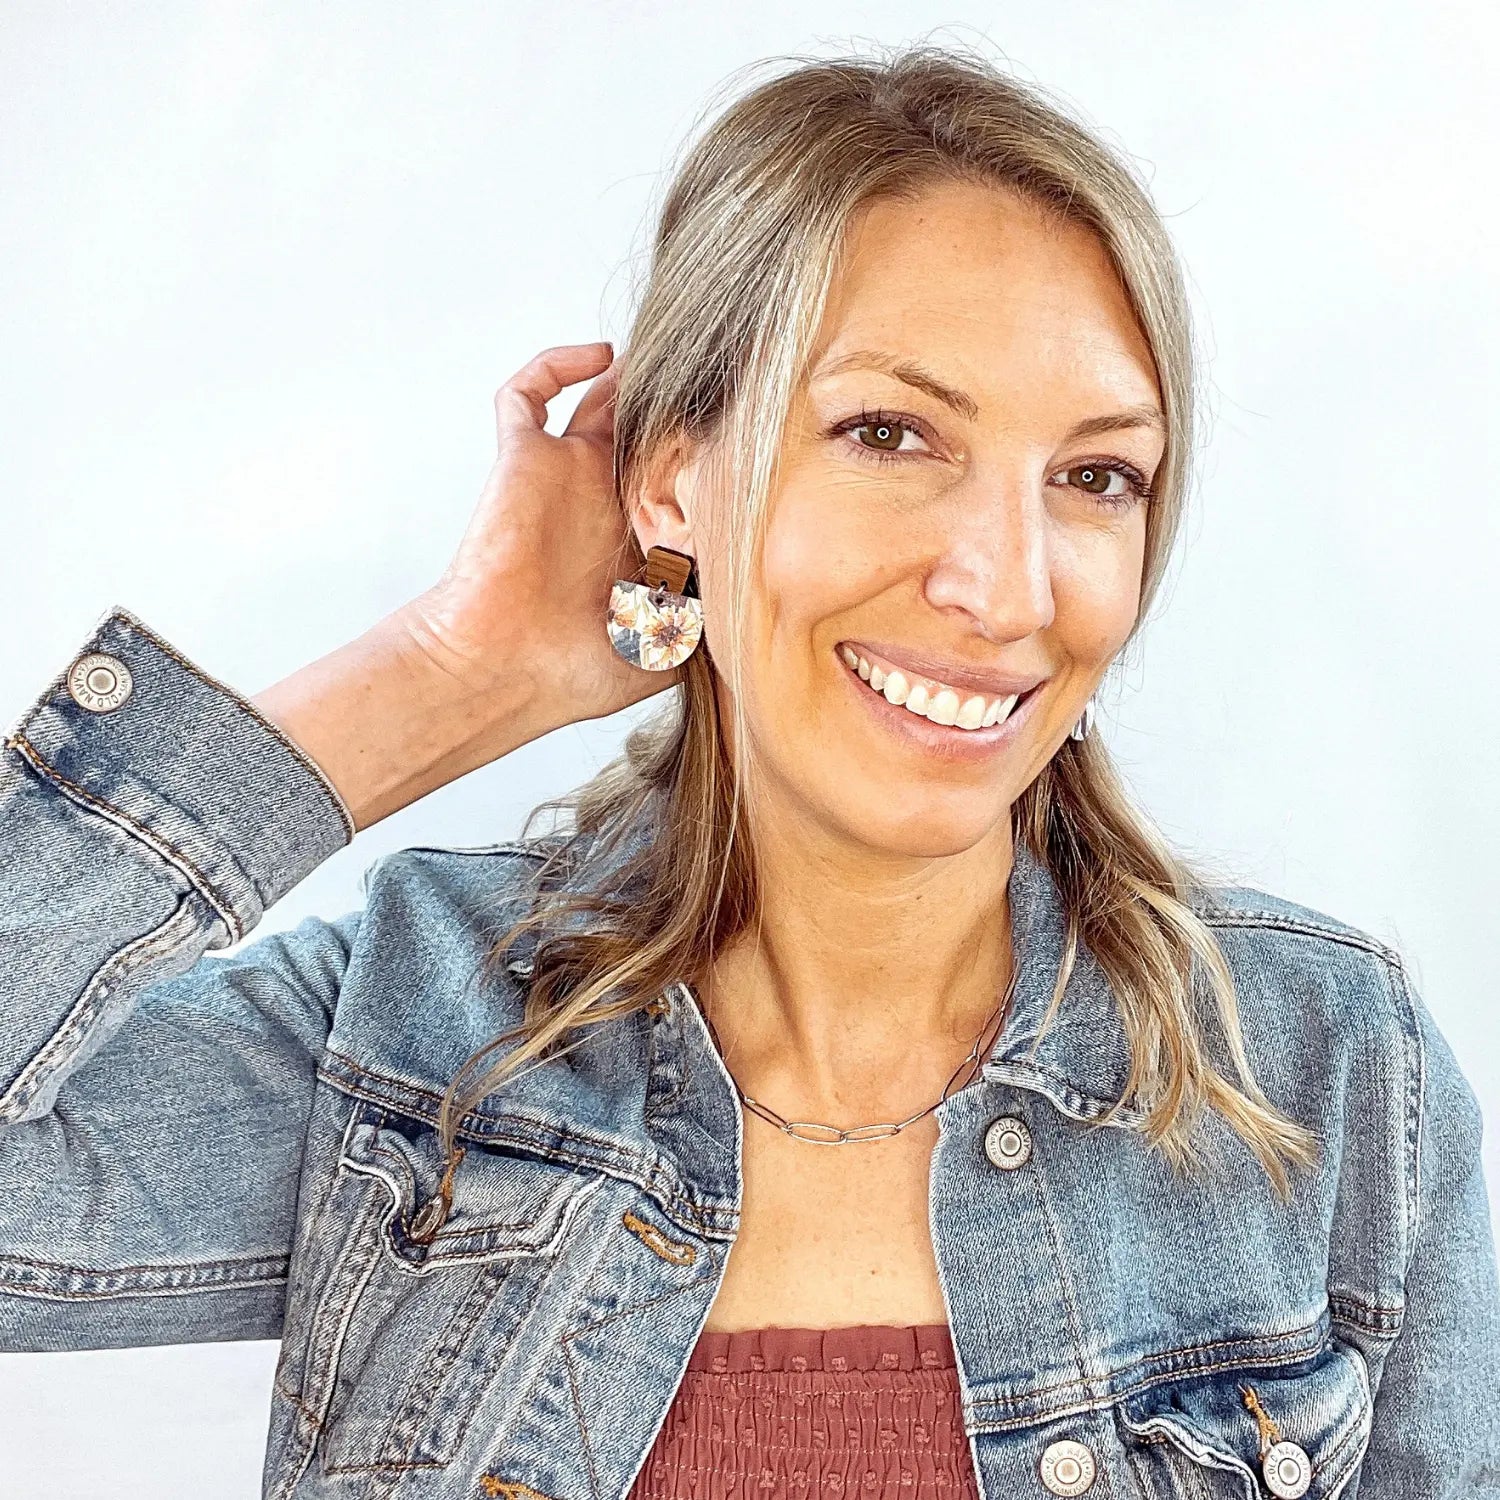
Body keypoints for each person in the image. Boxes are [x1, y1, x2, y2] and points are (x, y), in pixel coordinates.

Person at [3, 44, 1497, 1500]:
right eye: (891, 433)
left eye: (1096, 474)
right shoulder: (416, 1041)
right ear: (671, 472)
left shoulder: (1328, 1074)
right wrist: (453, 671)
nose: (1009, 587)